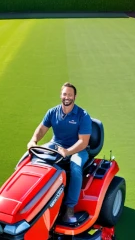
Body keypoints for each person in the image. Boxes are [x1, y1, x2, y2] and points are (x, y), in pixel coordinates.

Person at [27, 82, 92, 224]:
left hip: (77, 149)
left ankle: (69, 209)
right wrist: (33, 141)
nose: (67, 97)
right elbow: (42, 129)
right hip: (55, 145)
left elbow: (83, 142)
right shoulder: (52, 112)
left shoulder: (83, 116)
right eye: (64, 94)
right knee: (29, 156)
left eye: (70, 94)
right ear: (60, 95)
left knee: (75, 168)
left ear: (75, 96)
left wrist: (67, 152)